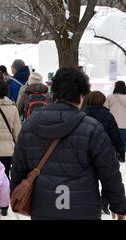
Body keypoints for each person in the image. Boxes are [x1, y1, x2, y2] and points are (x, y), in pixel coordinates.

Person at [10, 67, 126, 220]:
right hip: (85, 209)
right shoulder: (92, 129)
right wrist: (119, 205)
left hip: (43, 207)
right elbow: (109, 172)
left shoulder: (30, 126)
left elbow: (18, 169)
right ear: (81, 95)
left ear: (54, 92)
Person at [84, 90, 125, 163]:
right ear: (103, 101)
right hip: (103, 151)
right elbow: (115, 135)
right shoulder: (108, 116)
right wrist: (121, 152)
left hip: (84, 151)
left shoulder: (82, 114)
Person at [105, 81, 126, 149]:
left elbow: (105, 109)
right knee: (123, 145)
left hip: (112, 124)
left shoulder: (110, 97)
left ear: (115, 87)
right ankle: (122, 158)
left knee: (112, 145)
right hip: (124, 125)